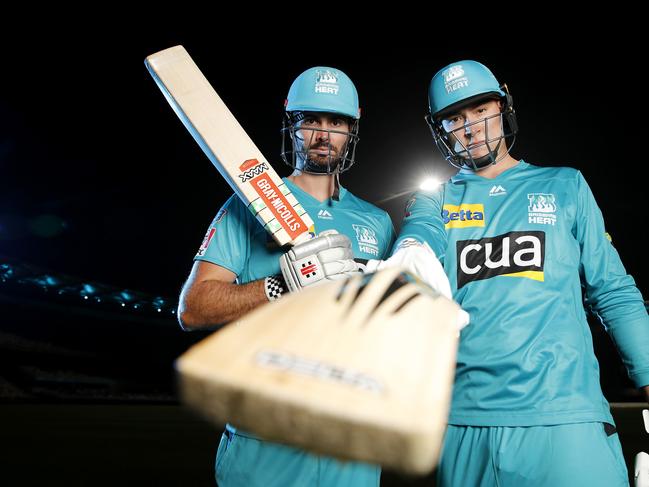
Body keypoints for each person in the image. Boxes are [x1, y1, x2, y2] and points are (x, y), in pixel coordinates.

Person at [393, 60, 649, 486]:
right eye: (454, 118)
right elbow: (419, 233)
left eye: (479, 110)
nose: (470, 127)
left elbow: (614, 293)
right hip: (465, 425)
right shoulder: (434, 199)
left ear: (502, 105)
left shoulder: (565, 186)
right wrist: (410, 249)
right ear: (440, 129)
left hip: (565, 419)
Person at [177, 66, 394, 487]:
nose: (323, 134)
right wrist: (282, 285)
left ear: (352, 130)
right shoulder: (248, 205)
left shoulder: (378, 221)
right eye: (309, 120)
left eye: (337, 123)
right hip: (265, 442)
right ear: (291, 127)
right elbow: (193, 307)